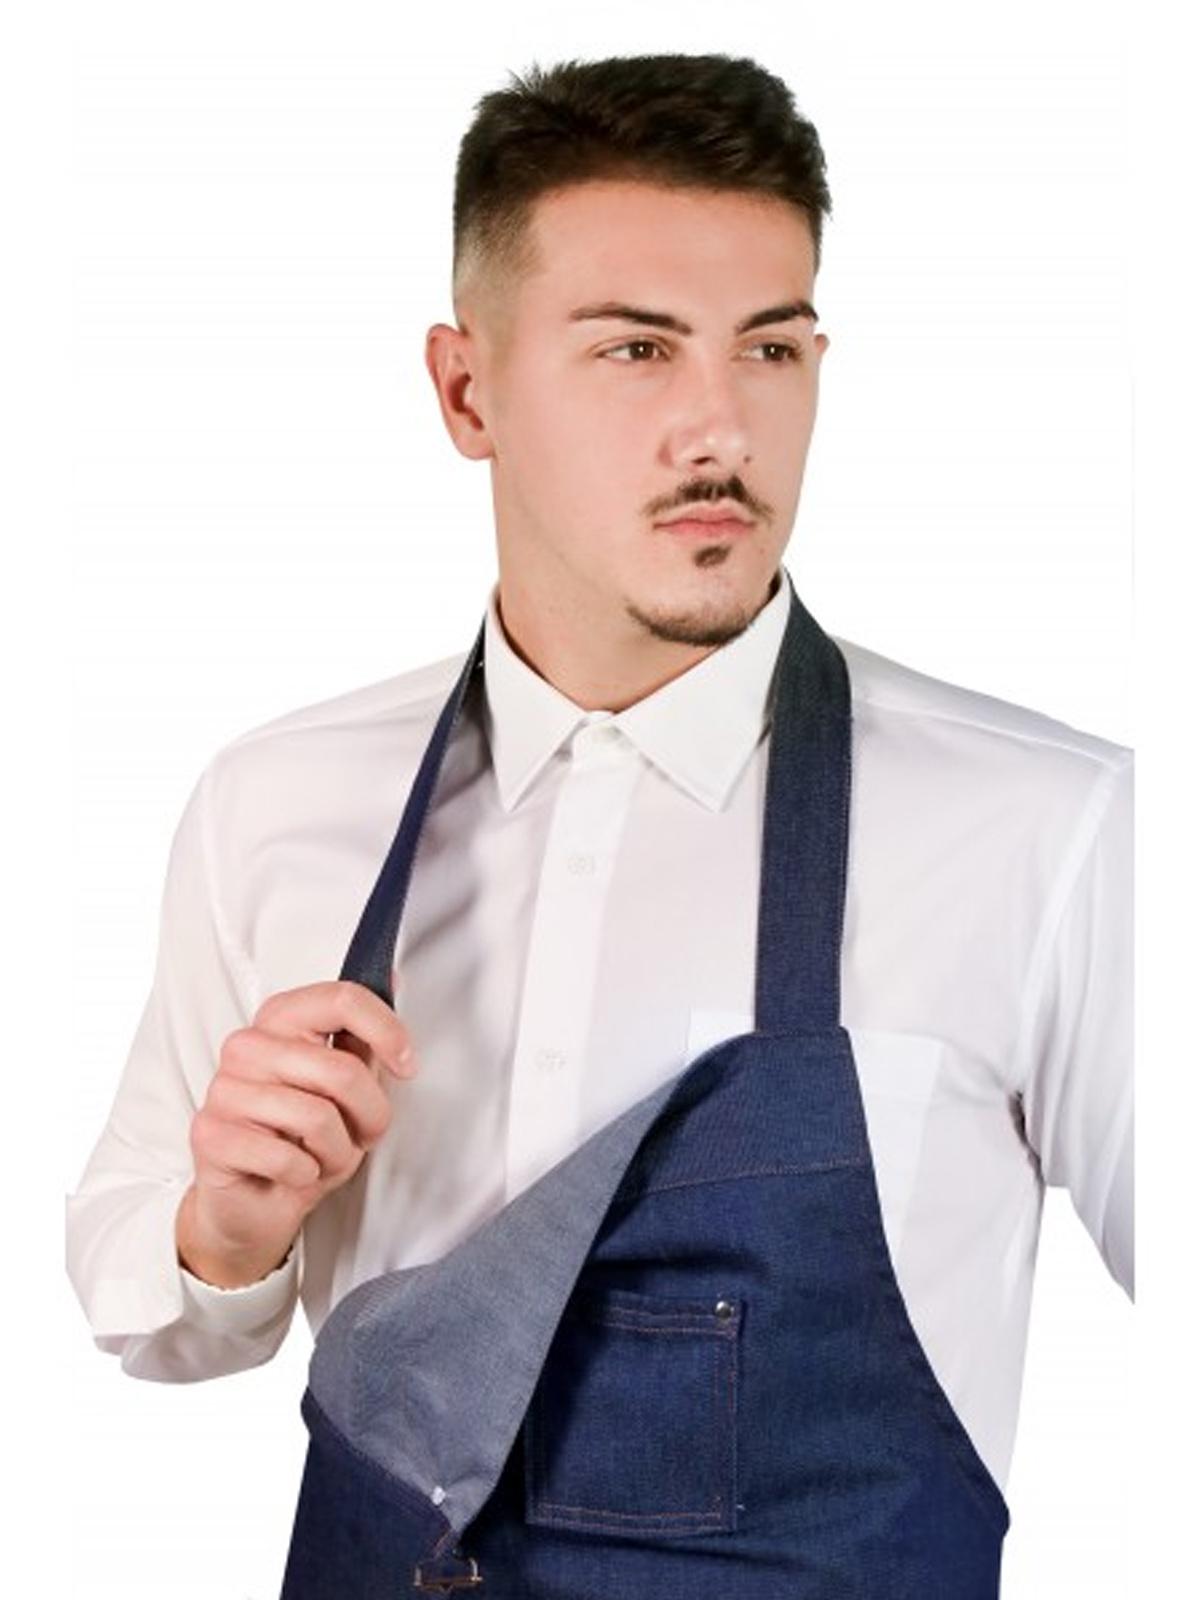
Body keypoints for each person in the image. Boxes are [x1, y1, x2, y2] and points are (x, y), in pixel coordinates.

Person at [66, 51, 1132, 1597]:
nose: (722, 429)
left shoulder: (1050, 830)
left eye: (771, 348)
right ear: (466, 391)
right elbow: (146, 1291)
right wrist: (225, 1231)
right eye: (638, 348)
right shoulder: (283, 805)